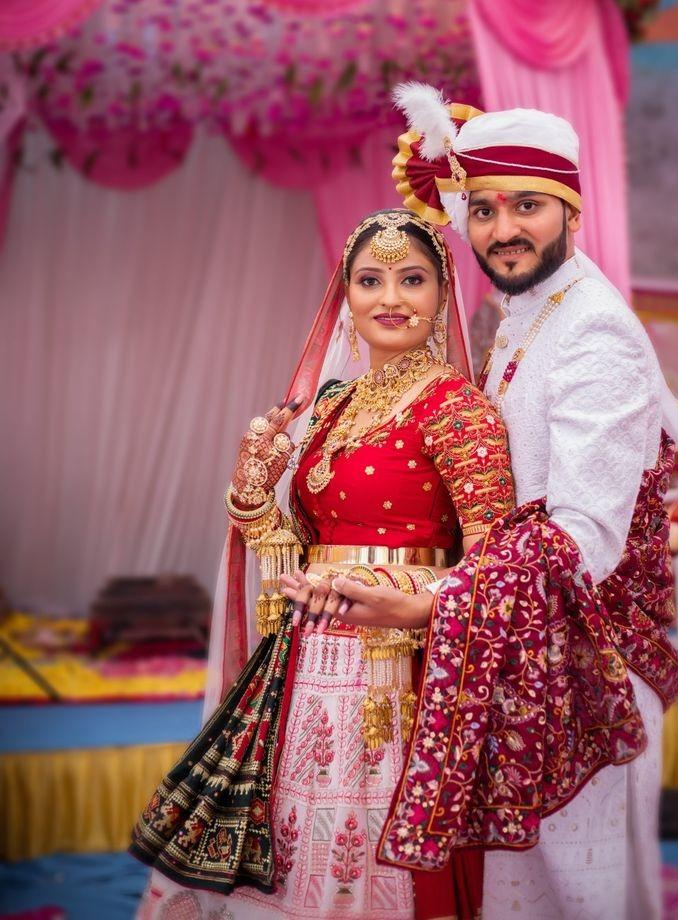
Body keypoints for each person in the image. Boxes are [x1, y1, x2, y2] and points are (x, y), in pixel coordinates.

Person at [298, 86, 678, 920]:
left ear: (572, 211)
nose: (502, 229)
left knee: (581, 899)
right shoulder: (521, 315)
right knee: (520, 898)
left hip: (590, 671)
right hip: (521, 647)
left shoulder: (594, 331)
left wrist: (428, 602)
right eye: (482, 208)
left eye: (528, 206)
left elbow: (583, 537)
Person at [129, 208, 516, 919]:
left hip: (395, 672)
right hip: (306, 665)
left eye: (412, 279)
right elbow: (295, 548)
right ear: (346, 295)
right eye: (370, 280)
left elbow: (497, 561)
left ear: (442, 293)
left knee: (356, 851)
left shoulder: (458, 409)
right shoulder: (333, 407)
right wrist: (254, 485)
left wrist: (394, 588)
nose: (390, 298)